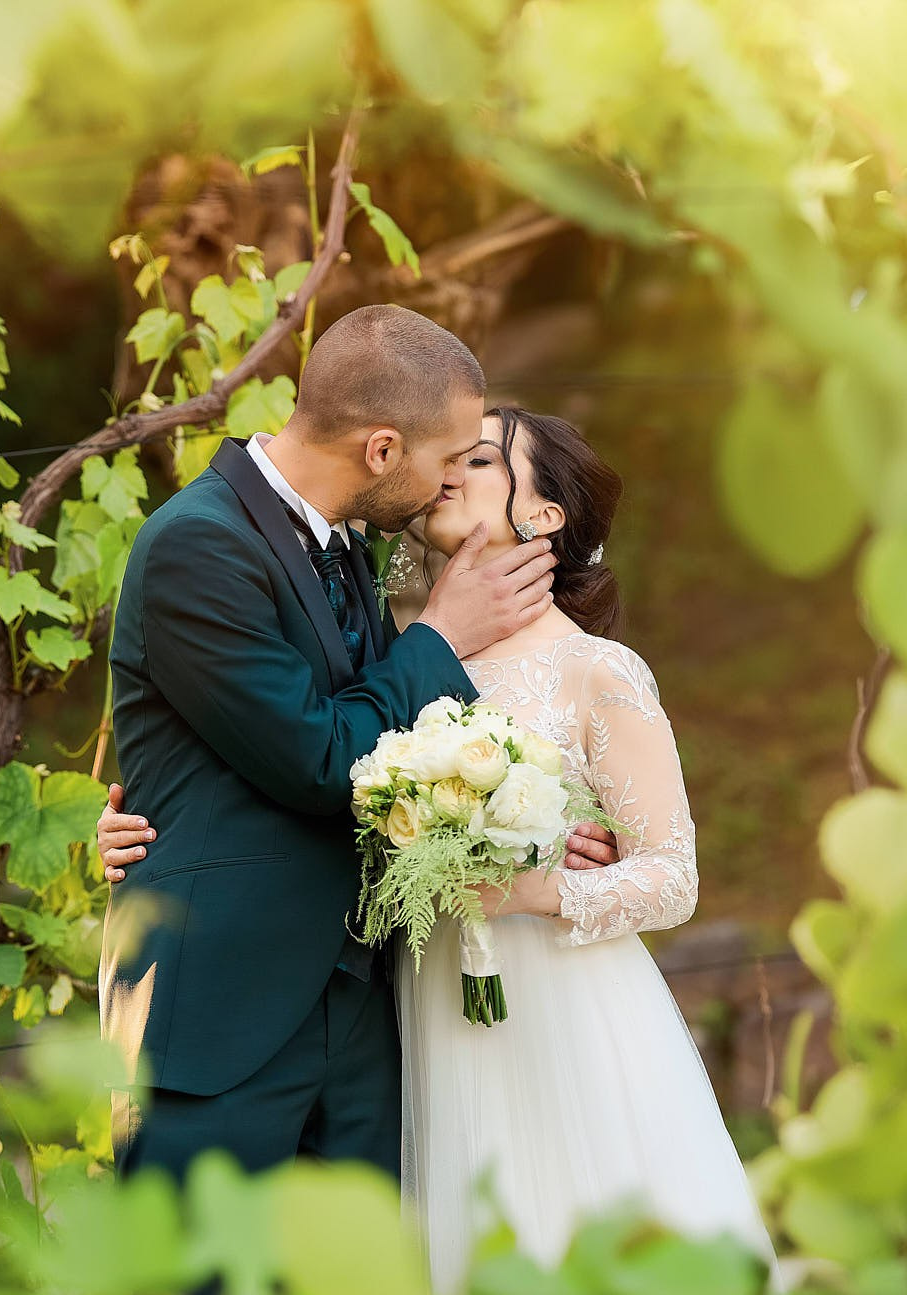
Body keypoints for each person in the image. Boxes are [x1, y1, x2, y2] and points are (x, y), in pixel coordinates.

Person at [101, 404, 777, 1295]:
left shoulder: (595, 671)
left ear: (542, 518)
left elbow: (673, 876)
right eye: (451, 454)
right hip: (416, 1017)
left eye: (484, 459)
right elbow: (297, 745)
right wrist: (153, 823)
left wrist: (547, 884)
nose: (454, 471)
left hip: (557, 1014)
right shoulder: (390, 636)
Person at [97, 305, 623, 1203]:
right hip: (218, 1023)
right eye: (450, 457)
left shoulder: (349, 551)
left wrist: (553, 834)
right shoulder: (200, 545)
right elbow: (325, 758)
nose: (455, 478)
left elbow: (408, 753)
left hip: (363, 1011)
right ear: (383, 451)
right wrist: (444, 636)